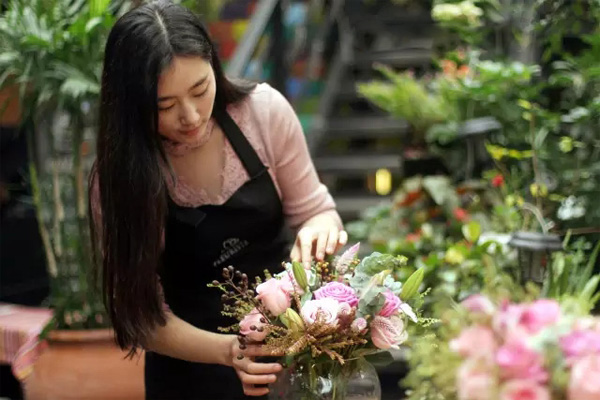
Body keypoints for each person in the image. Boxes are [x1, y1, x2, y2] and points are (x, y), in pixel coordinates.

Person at [89, 1, 346, 399]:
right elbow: (139, 316)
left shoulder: (262, 113)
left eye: (200, 90)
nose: (190, 116)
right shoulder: (121, 175)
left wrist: (318, 235)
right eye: (165, 106)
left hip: (294, 360)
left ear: (215, 66)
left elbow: (317, 212)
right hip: (189, 372)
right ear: (131, 105)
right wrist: (230, 350)